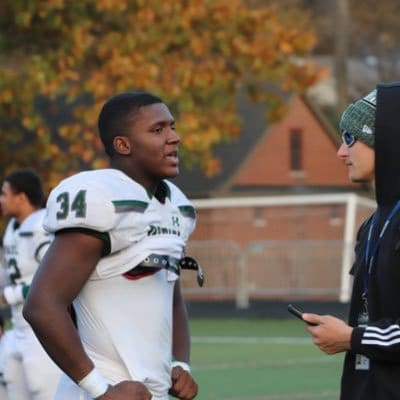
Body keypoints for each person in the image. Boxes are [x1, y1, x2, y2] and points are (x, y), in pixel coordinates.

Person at [23, 91, 200, 400]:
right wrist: (100, 390)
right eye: (157, 130)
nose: (174, 137)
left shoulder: (176, 205)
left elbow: (171, 297)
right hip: (102, 391)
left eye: (172, 127)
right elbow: (42, 305)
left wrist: (180, 363)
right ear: (123, 145)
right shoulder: (101, 197)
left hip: (150, 391)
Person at [302, 82, 400, 399]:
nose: (341, 152)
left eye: (350, 138)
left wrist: (352, 337)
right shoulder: (371, 224)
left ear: (387, 140)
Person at [0, 168, 62, 400]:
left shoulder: (41, 227)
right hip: (17, 327)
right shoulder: (13, 227)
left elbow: (58, 279)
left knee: (45, 392)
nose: (1, 199)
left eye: (4, 193)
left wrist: (12, 295)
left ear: (21, 197)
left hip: (41, 330)